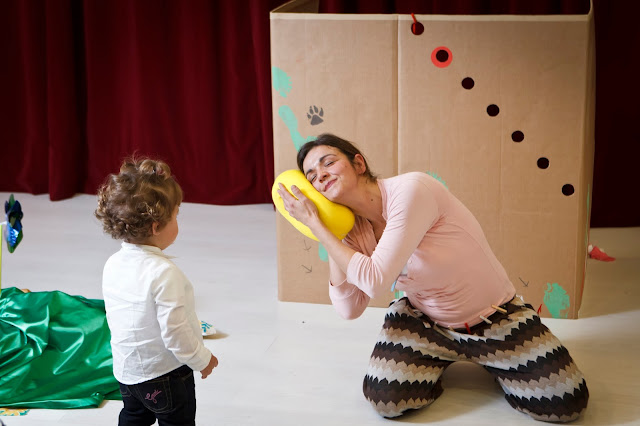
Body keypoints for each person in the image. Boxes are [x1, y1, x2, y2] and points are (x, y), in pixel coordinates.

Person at [277, 133, 588, 422]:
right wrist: (329, 232)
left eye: (328, 162)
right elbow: (349, 309)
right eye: (312, 177)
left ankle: (494, 360)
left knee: (566, 402)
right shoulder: (352, 230)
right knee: (385, 399)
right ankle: (439, 360)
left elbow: (374, 281)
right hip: (425, 322)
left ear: (359, 164)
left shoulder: (411, 191)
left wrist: (317, 227)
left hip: (495, 318)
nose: (321, 176)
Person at [95, 157, 218, 426]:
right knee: (177, 421)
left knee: (133, 417)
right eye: (176, 215)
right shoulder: (163, 273)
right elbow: (176, 334)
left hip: (127, 371)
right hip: (166, 374)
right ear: (155, 226)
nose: (178, 221)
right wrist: (202, 359)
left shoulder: (113, 263)